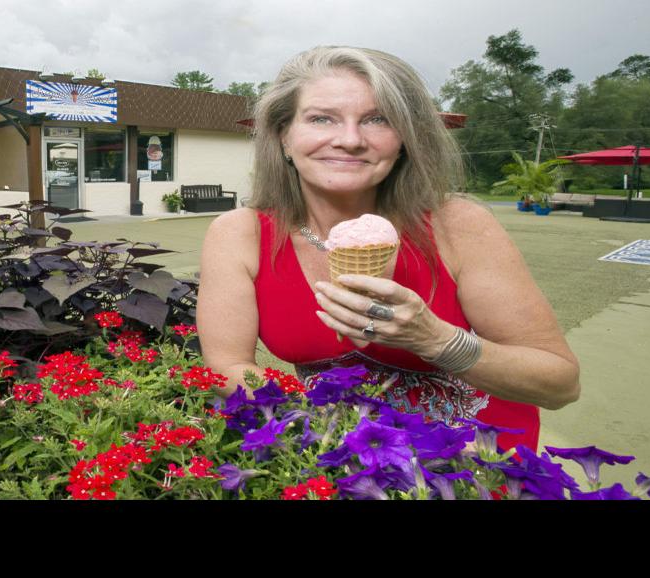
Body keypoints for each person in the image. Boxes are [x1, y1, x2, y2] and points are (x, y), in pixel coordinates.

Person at [196, 46, 579, 452]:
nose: (350, 140)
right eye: (321, 118)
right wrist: (322, 429)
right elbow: (227, 366)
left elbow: (560, 385)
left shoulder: (458, 225)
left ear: (405, 141)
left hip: (475, 466)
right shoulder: (240, 234)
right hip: (344, 460)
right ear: (283, 137)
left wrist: (436, 341)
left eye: (378, 119)